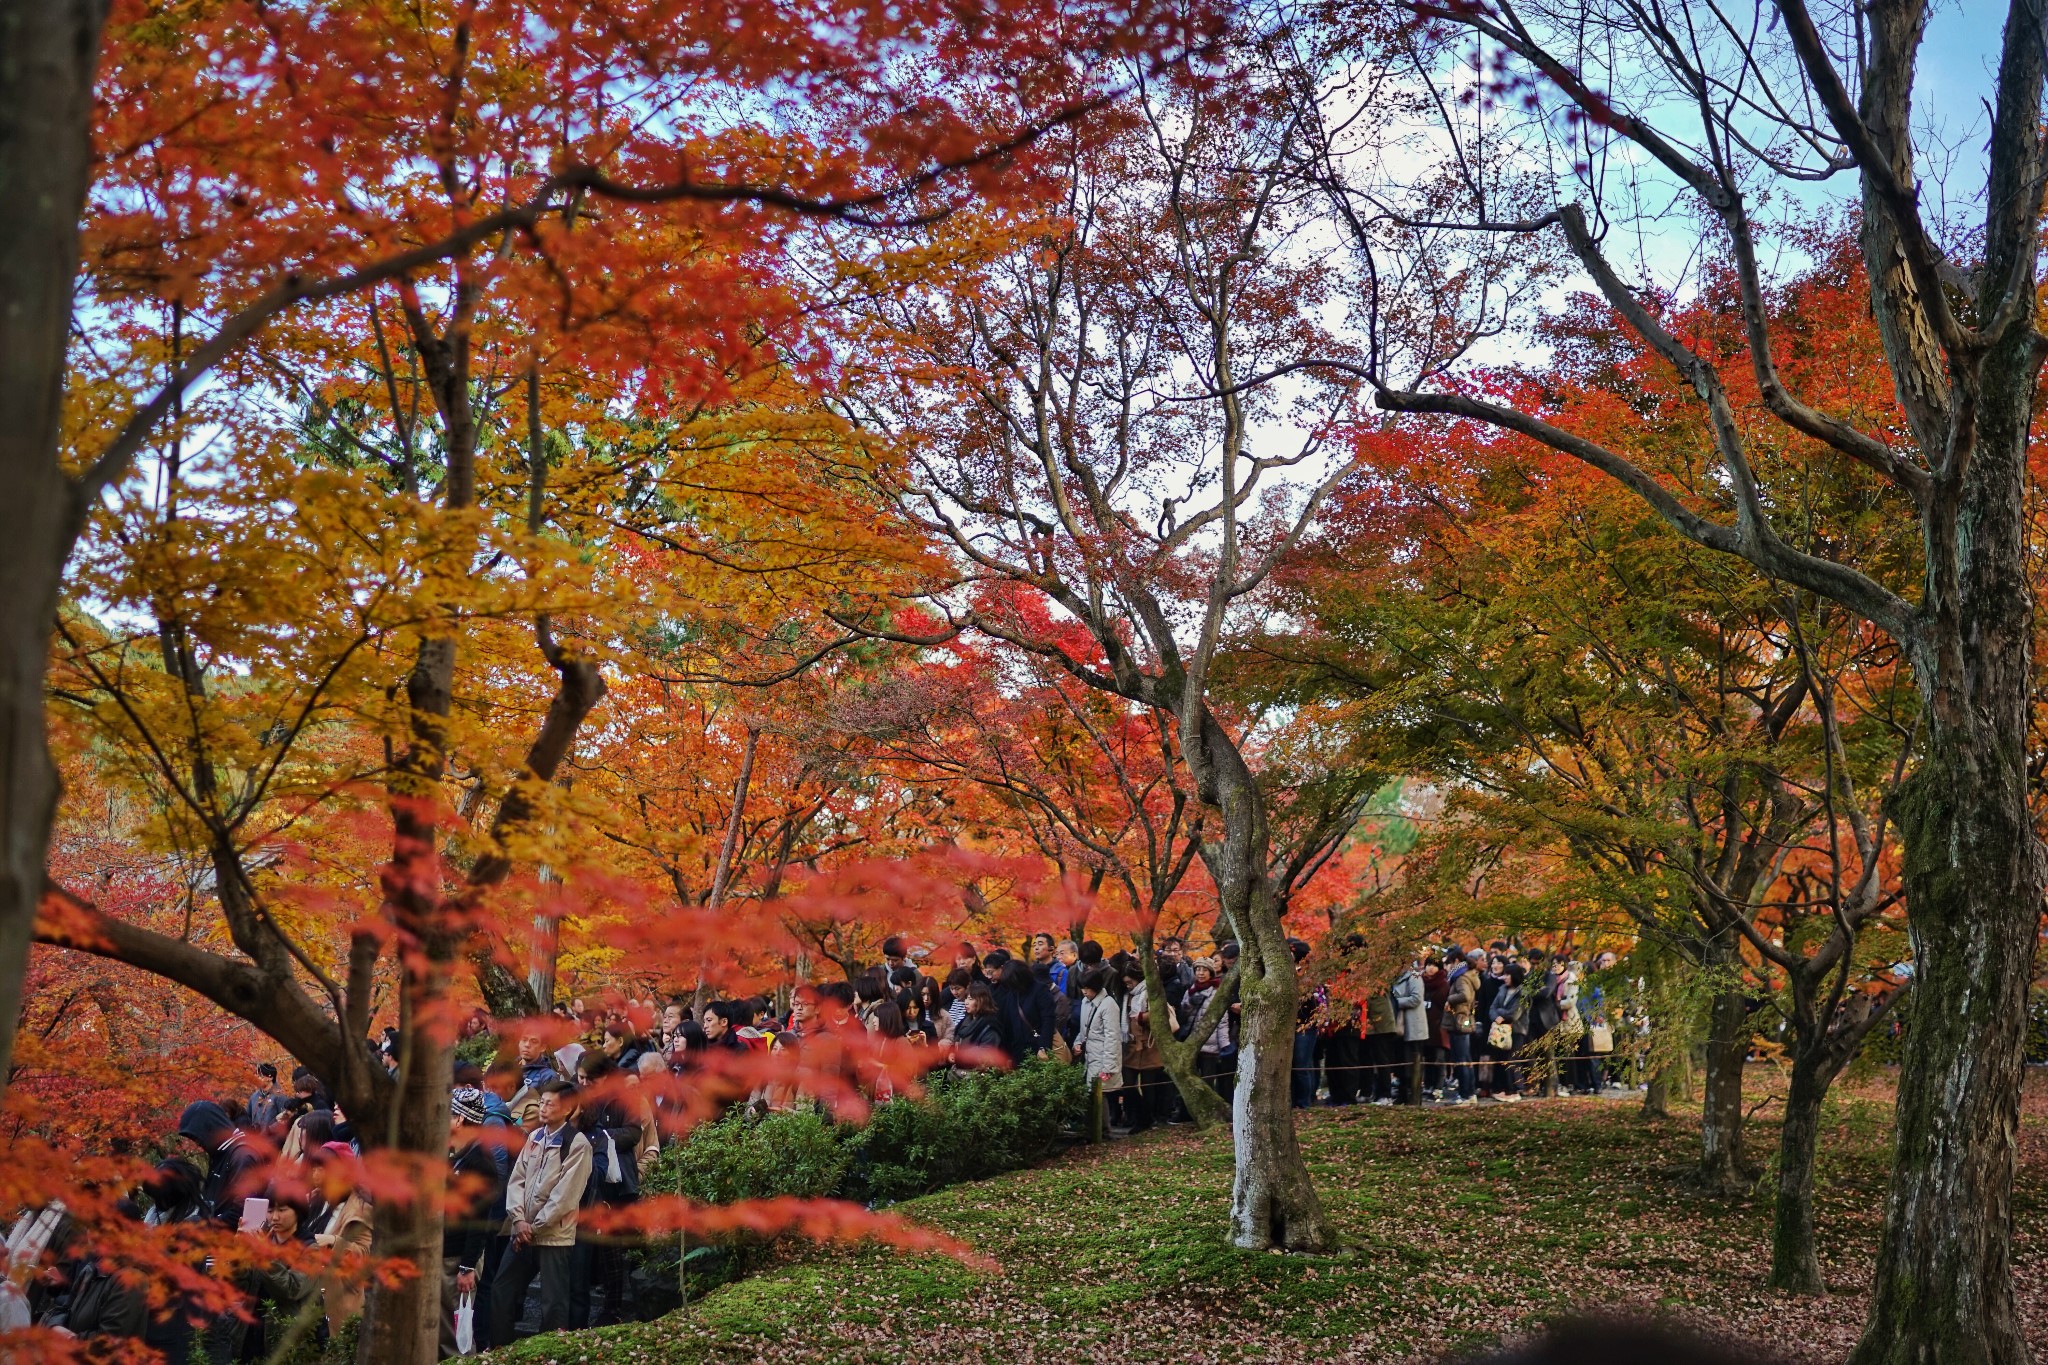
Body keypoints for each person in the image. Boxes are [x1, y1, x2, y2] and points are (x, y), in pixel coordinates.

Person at [491, 1081, 591, 1346]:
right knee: (502, 1290)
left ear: (567, 1109)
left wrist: (533, 1227)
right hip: (522, 1229)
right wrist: (519, 1219)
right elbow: (517, 1180)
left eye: (550, 1103)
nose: (543, 1108)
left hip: (554, 1235)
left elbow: (565, 1196)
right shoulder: (535, 1137)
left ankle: (549, 1354)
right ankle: (500, 1349)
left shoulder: (577, 1144)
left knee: (553, 1303)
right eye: (542, 1102)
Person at [445, 1089, 505, 1359]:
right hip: (442, 1248)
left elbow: (479, 1221)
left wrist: (467, 1266)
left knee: (456, 1335)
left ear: (460, 1119)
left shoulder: (480, 1162)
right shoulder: (451, 1152)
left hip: (459, 1255)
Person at [176, 1100, 264, 1225]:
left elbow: (241, 1211)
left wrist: (203, 1226)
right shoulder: (222, 1152)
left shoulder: (241, 1156)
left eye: (197, 1137)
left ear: (210, 1128)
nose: (198, 1143)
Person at [1443, 949, 1483, 1103]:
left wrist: (1450, 1000)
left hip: (1459, 1020)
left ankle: (1465, 1094)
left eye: (1449, 963)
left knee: (1461, 1059)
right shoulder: (1469, 975)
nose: (1448, 967)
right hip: (1465, 1019)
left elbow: (1465, 995)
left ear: (1456, 961)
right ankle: (1470, 1093)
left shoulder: (1461, 977)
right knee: (1466, 1058)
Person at [1390, 958, 1429, 1105]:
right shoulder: (1395, 979)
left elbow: (1416, 998)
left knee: (1412, 1062)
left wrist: (1394, 1003)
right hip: (1400, 1026)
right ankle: (1402, 1094)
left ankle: (1412, 1095)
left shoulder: (1414, 977)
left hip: (1413, 1026)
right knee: (1401, 1062)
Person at [508, 1034, 563, 1127]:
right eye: (524, 1040)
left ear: (543, 1047)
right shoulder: (508, 1068)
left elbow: (548, 1112)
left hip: (525, 1127)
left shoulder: (548, 1076)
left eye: (533, 1041)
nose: (527, 1045)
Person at [248, 1063, 287, 1132]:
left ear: (270, 1077)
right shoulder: (254, 1097)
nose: (257, 1078)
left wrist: (270, 1130)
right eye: (256, 1076)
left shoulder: (279, 1096)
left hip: (272, 1139)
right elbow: (248, 1116)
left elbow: (286, 1118)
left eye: (261, 1076)